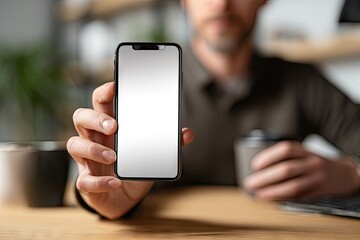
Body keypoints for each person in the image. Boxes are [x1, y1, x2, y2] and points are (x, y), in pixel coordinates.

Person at [67, 0, 360, 220]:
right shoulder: (143, 86)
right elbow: (94, 179)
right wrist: (101, 199)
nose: (221, 4)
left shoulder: (304, 83)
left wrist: (353, 174)